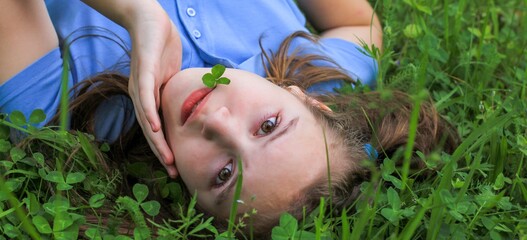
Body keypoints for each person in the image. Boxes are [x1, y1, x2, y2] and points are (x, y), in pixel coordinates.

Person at [0, 0, 458, 237]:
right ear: (307, 100)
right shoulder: (316, 69)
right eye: (269, 126)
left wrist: (136, 13)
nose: (217, 121)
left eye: (223, 174)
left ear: (191, 206)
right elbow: (361, 24)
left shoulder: (66, 111)